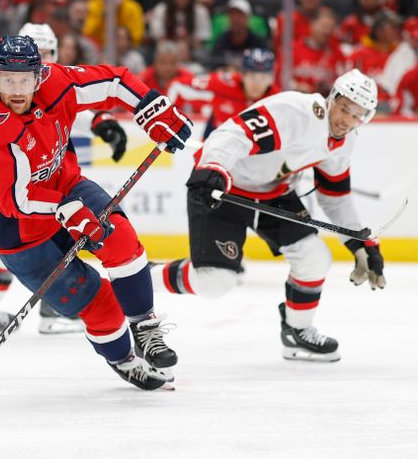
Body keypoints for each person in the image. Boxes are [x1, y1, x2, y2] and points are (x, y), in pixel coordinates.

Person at [0, 34, 193, 390]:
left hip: (67, 186)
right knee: (100, 306)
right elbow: (14, 201)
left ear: (39, 76)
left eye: (25, 79)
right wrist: (64, 210)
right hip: (20, 232)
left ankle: (146, 328)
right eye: (8, 80)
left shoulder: (58, 82)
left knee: (122, 243)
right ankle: (123, 360)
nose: (17, 89)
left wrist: (151, 105)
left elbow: (115, 81)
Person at [152, 69, 386, 363]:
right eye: (344, 108)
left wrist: (358, 241)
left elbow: (334, 196)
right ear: (332, 98)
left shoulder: (345, 142)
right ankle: (139, 279)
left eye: (358, 115)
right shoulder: (297, 112)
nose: (346, 120)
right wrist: (212, 167)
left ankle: (296, 332)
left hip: (274, 194)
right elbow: (234, 133)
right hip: (226, 187)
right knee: (214, 282)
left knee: (315, 258)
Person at [0, 23, 128, 335]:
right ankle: (37, 308)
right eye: (35, 52)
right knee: (17, 250)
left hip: (40, 186)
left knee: (56, 235)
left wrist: (100, 120)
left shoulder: (45, 80)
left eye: (45, 55)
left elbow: (65, 106)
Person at [172, 48, 279, 138]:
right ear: (242, 74)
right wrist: (167, 116)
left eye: (263, 77)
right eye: (252, 76)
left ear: (271, 78)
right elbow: (178, 86)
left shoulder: (277, 99)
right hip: (216, 140)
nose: (257, 83)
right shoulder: (223, 84)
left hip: (253, 152)